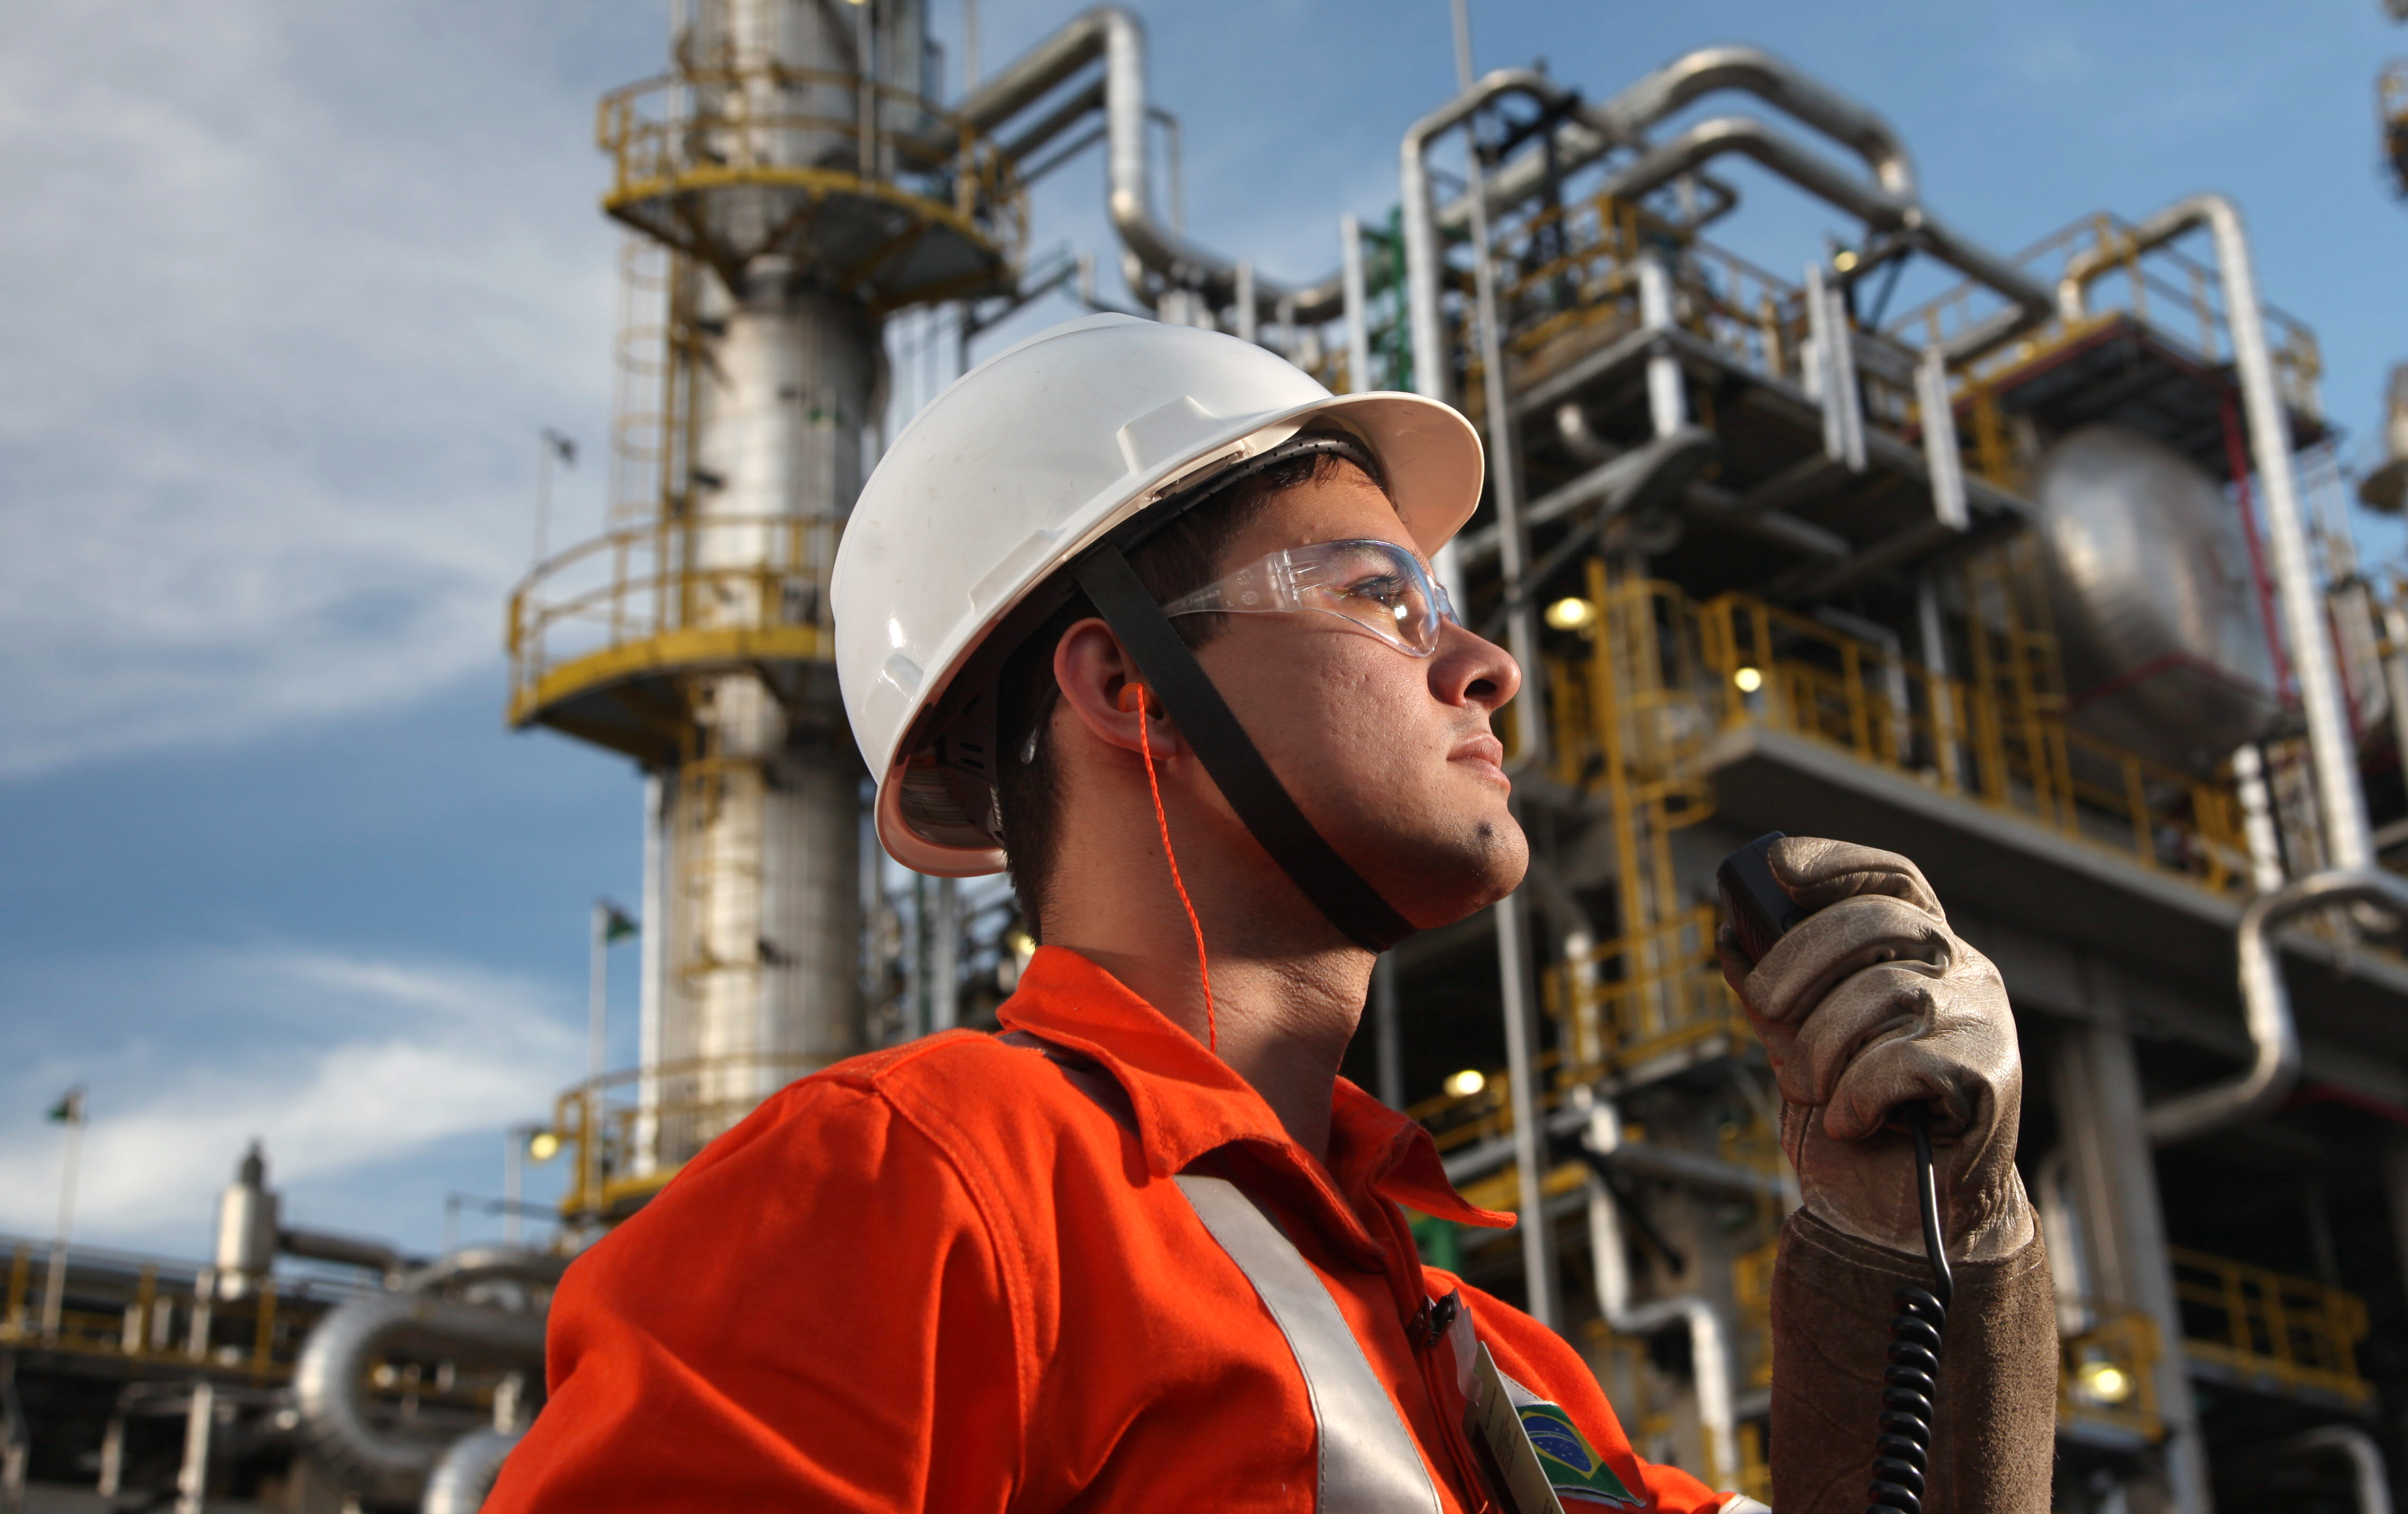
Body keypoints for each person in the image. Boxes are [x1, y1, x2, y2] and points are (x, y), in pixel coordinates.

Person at [489, 317, 2053, 1513]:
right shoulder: (914, 1187)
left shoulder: (1506, 1374)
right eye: (1379, 596)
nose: (1481, 665)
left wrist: (1923, 1241)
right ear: (1124, 687)